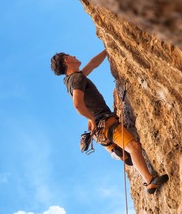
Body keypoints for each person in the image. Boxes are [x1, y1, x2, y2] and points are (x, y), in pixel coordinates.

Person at [50, 49, 169, 194]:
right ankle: (149, 180)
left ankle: (115, 151)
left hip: (100, 130)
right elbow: (77, 104)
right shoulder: (76, 79)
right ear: (66, 61)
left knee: (125, 149)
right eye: (70, 55)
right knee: (134, 147)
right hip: (104, 123)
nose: (74, 55)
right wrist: (91, 118)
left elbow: (93, 64)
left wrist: (108, 48)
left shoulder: (72, 80)